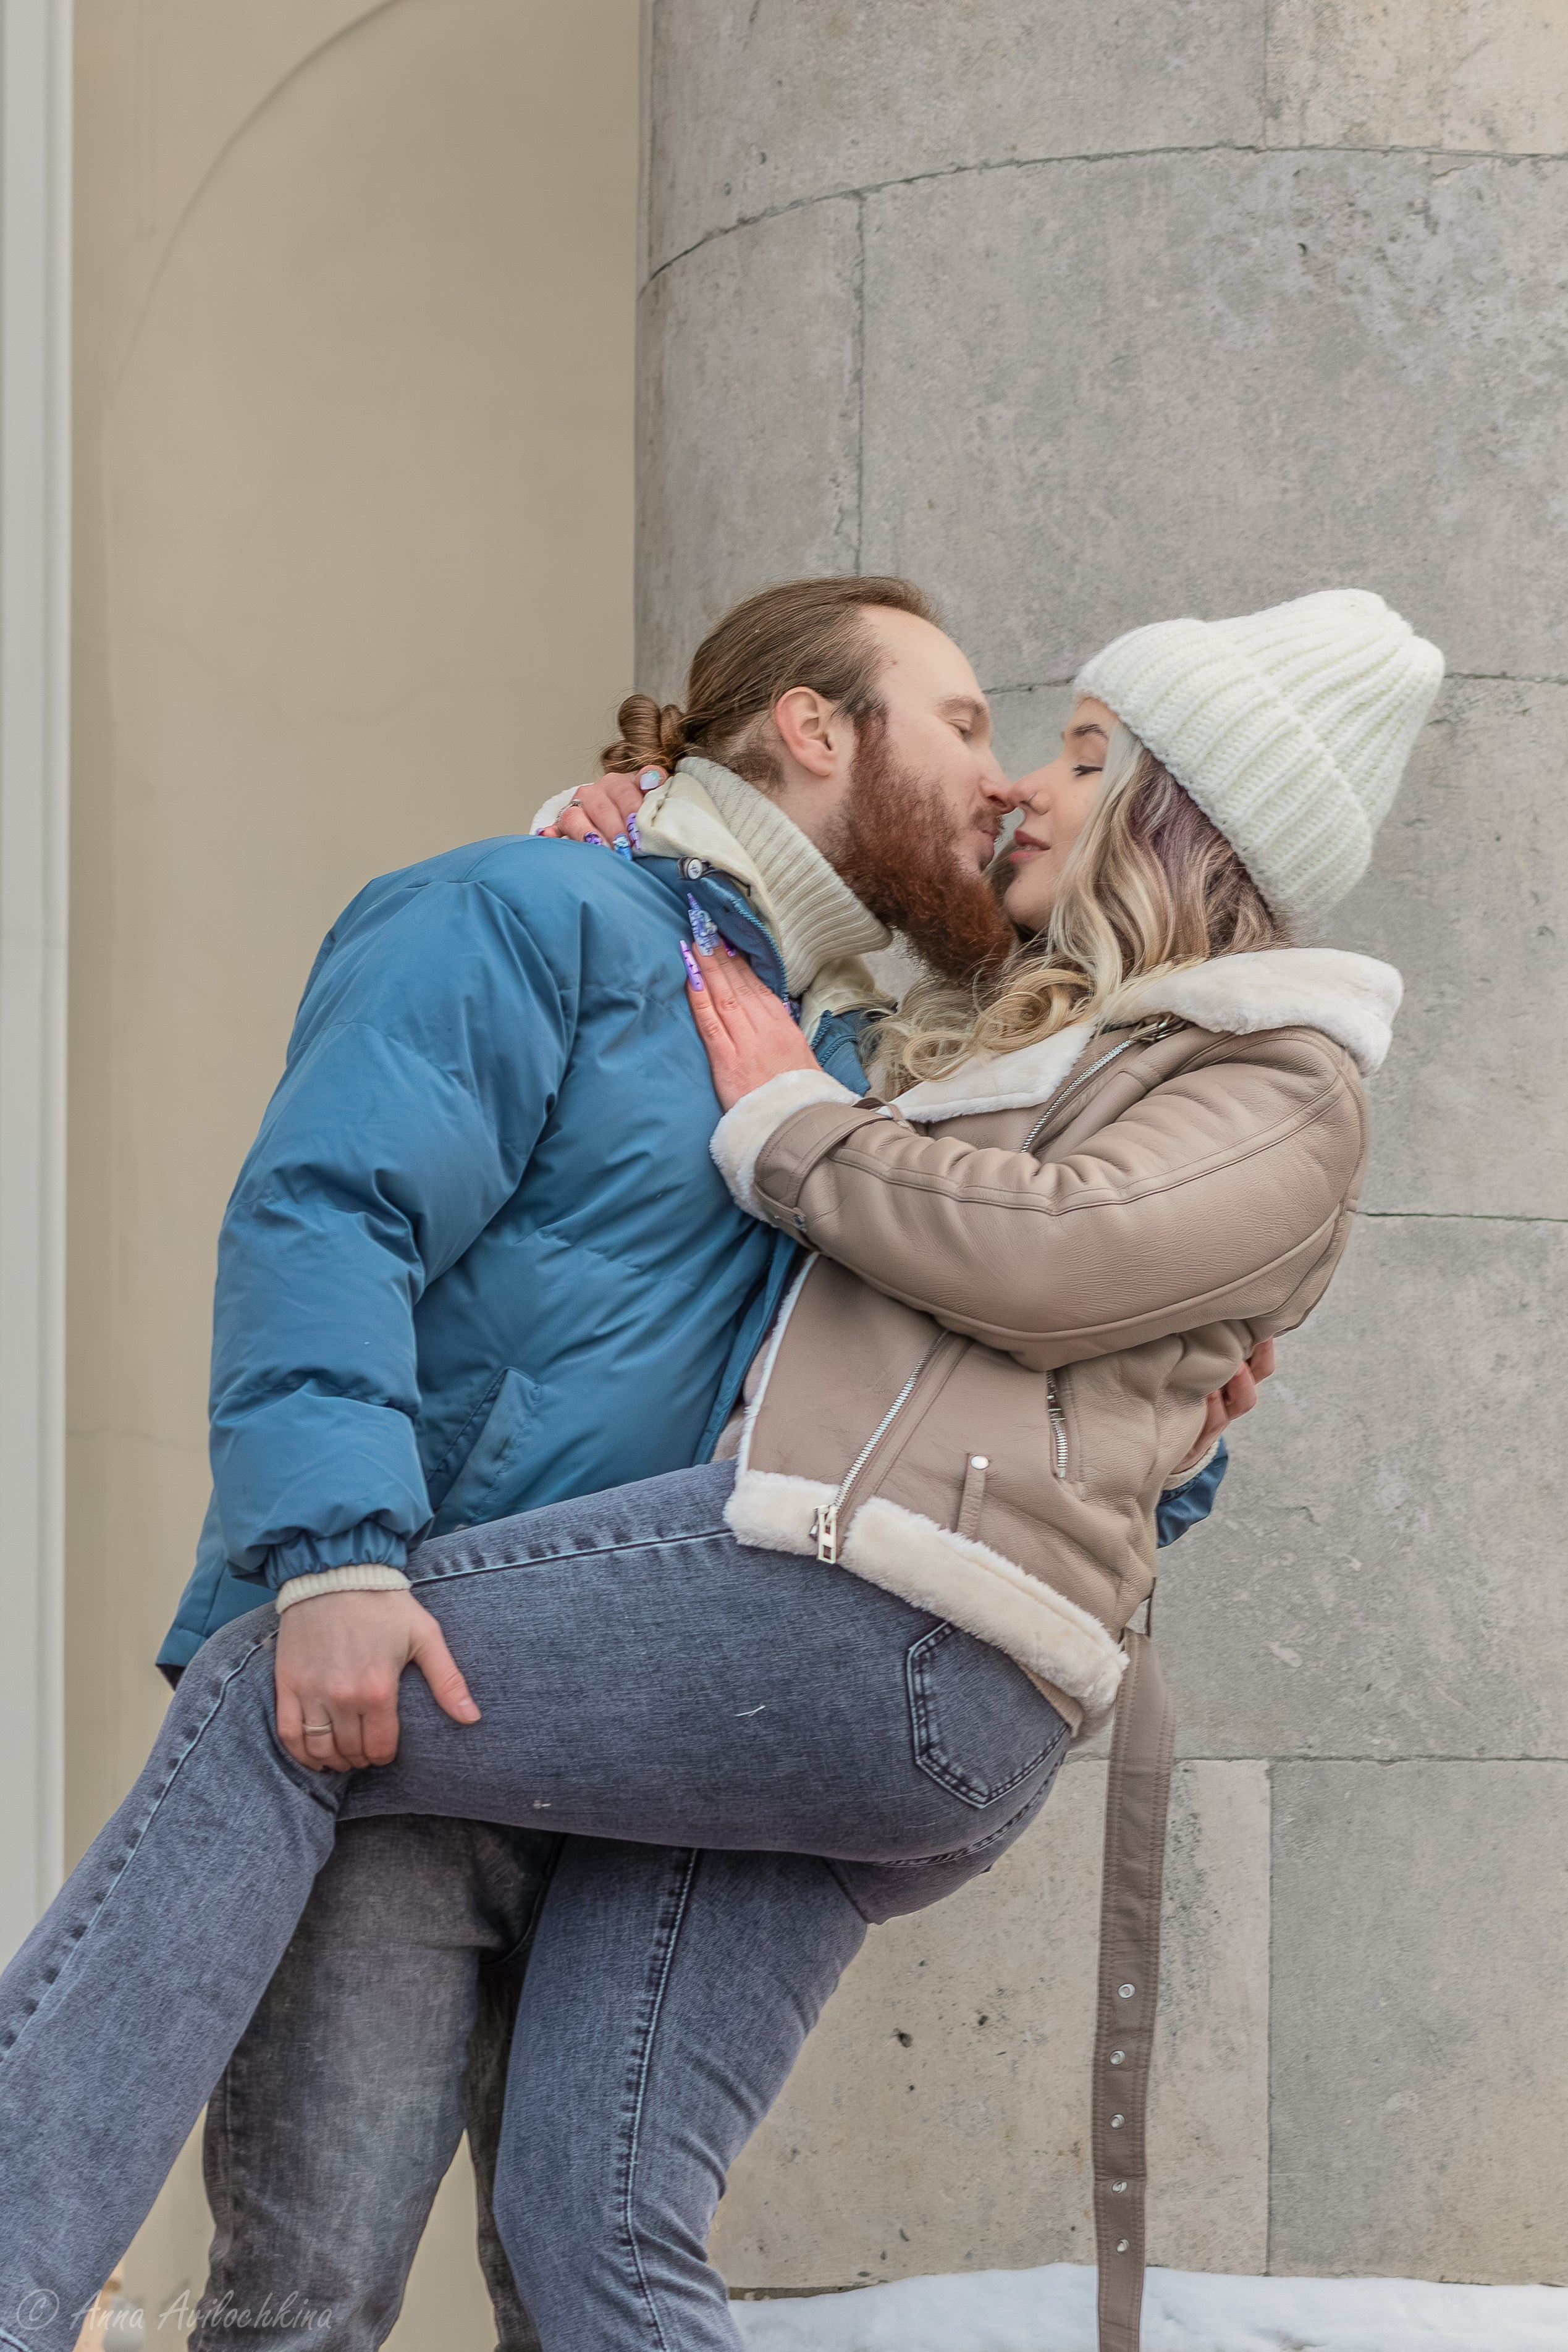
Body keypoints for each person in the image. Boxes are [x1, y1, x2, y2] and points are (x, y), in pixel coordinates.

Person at [0, 587, 1438, 2352]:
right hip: (434, 1639)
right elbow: (330, 1219)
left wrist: (1164, 1422)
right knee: (421, 2270)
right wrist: (337, 1557)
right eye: (971, 728)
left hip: (698, 1657)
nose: (1004, 786)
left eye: (1060, 751)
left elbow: (1006, 1327)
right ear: (812, 733)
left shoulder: (863, 1071)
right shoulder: (555, 921)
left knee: (543, 2220)